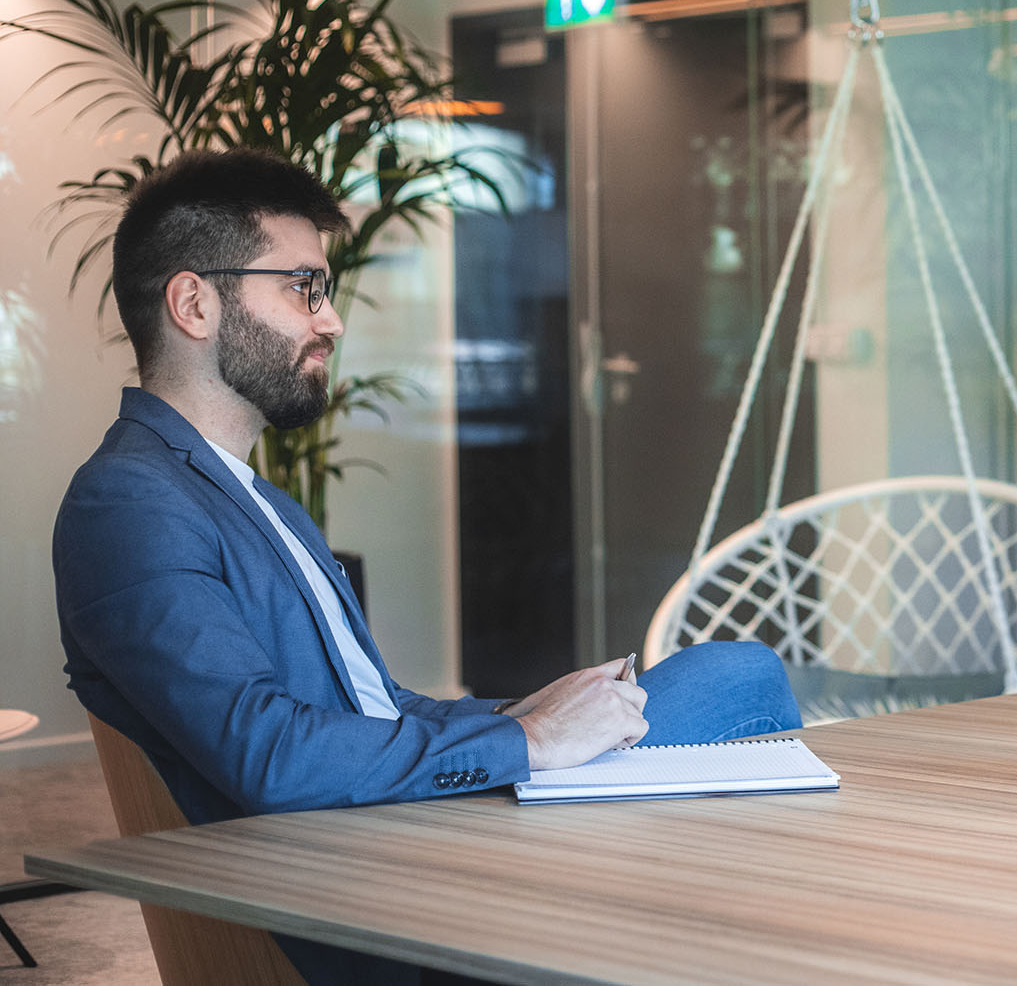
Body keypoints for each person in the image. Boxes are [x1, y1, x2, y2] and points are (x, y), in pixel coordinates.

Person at [52, 149, 801, 985]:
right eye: (304, 287)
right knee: (739, 681)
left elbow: (371, 704)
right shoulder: (127, 501)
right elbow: (270, 756)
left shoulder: (250, 497)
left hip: (402, 835)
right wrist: (526, 741)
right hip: (359, 899)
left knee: (733, 677)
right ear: (194, 302)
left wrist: (523, 712)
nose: (330, 320)